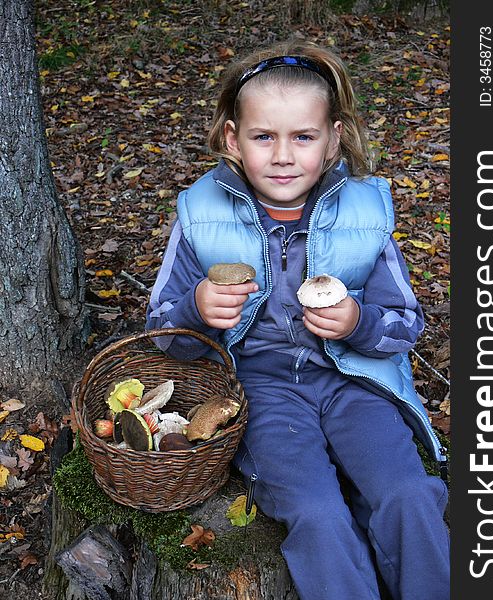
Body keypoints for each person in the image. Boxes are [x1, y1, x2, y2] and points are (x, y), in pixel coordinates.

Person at [146, 40, 450, 600]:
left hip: (354, 384)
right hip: (262, 393)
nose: (283, 156)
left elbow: (404, 323)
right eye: (264, 137)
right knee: (316, 510)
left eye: (303, 137)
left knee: (407, 493)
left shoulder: (364, 214)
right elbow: (165, 331)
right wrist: (197, 310)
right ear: (233, 140)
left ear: (333, 138)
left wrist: (358, 320)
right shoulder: (201, 214)